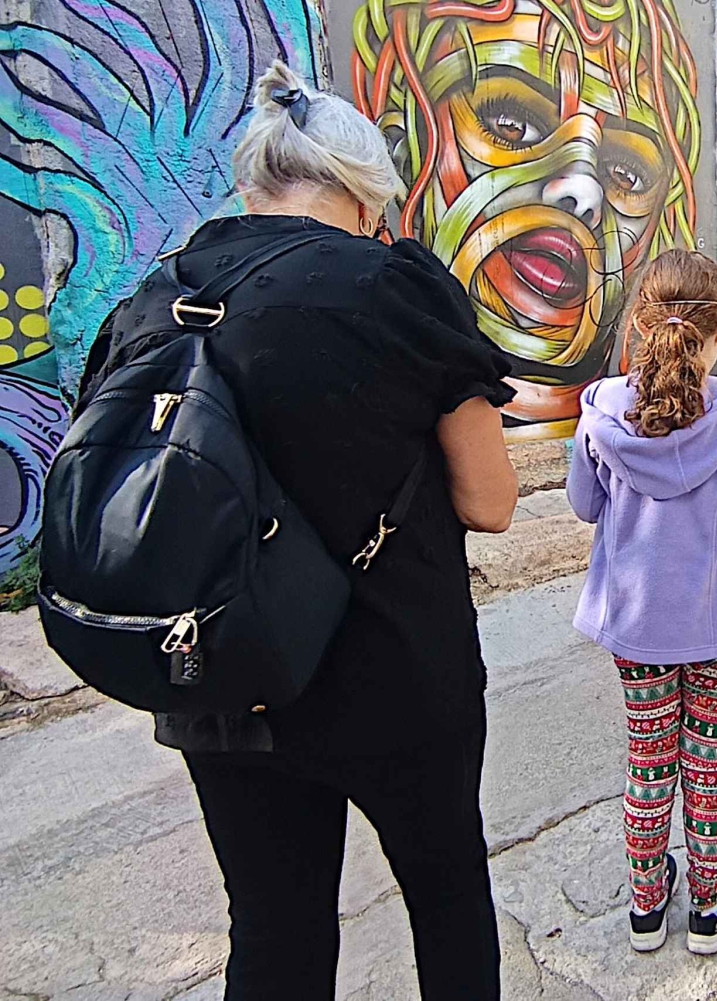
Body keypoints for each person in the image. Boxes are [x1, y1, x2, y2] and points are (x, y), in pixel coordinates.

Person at [76, 62, 520, 1000]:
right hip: (396, 676)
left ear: (252, 187)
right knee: (445, 900)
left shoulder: (154, 299)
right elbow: (490, 500)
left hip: (218, 678)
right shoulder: (393, 287)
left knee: (275, 930)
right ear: (364, 196)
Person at [566, 250, 717, 956]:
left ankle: (645, 907)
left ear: (641, 322)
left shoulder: (601, 410)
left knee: (648, 760)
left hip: (635, 627)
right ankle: (706, 905)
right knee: (707, 759)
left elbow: (584, 505)